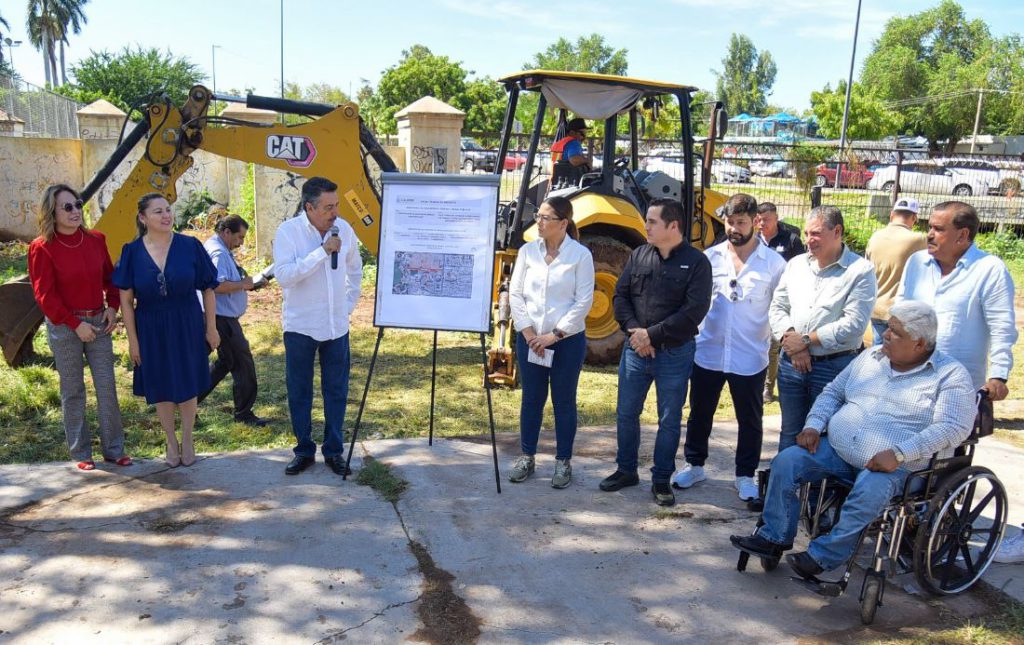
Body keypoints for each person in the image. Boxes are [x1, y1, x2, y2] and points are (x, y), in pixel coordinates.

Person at [731, 301, 976, 579]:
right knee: (786, 461)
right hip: (838, 450)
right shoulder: (871, 357)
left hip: (899, 468)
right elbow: (833, 392)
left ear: (919, 344)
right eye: (888, 327)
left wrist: (899, 453)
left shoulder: (949, 375)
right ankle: (774, 536)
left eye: (895, 332)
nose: (885, 334)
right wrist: (813, 425)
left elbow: (953, 427)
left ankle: (823, 556)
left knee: (869, 491)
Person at [895, 201, 1021, 564]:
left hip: (957, 386)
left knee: (937, 461)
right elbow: (903, 312)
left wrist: (998, 375)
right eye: (929, 227)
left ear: (963, 236)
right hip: (909, 377)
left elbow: (1001, 327)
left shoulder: (989, 270)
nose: (928, 234)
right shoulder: (918, 263)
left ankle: (927, 533)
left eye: (938, 229)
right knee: (901, 447)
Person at [599, 198, 713, 506]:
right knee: (626, 413)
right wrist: (637, 333)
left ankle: (662, 479)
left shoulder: (697, 263)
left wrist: (652, 335)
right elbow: (620, 297)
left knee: (669, 419)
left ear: (673, 226)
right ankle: (626, 470)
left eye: (652, 222)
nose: (646, 226)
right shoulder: (638, 255)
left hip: (674, 354)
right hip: (635, 351)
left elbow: (694, 312)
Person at [672, 194, 786, 501]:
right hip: (709, 350)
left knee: (750, 419)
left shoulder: (774, 264)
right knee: (700, 412)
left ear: (756, 222)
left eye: (741, 223)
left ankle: (745, 475)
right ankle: (694, 464)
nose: (734, 229)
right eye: (729, 222)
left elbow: (780, 307)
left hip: (750, 355)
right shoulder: (710, 258)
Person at [27, 184, 131, 471]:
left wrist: (112, 307)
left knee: (107, 386)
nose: (75, 211)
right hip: (65, 326)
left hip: (98, 322)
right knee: (72, 389)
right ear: (53, 212)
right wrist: (75, 325)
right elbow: (45, 296)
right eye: (67, 207)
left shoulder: (96, 240)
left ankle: (114, 449)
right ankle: (81, 453)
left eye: (77, 205)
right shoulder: (42, 248)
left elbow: (111, 280)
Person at [113, 193, 220, 467]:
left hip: (187, 322)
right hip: (150, 326)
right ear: (143, 218)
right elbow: (125, 301)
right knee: (160, 384)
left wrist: (211, 327)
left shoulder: (190, 246)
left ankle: (187, 438)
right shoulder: (131, 251)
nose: (166, 215)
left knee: (187, 382)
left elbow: (208, 287)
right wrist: (132, 341)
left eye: (168, 210)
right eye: (158, 211)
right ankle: (170, 441)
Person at [273, 177, 361, 477]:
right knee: (300, 391)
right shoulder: (288, 232)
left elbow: (354, 269)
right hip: (301, 326)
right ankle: (303, 450)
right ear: (309, 207)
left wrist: (346, 306)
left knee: (336, 390)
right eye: (327, 207)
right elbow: (284, 276)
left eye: (336, 205)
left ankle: (334, 451)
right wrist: (322, 251)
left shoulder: (344, 229)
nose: (334, 212)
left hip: (337, 327)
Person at [769, 206, 876, 451]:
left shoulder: (860, 271)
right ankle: (783, 487)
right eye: (806, 233)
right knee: (790, 432)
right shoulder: (796, 265)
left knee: (824, 435)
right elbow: (777, 307)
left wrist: (805, 341)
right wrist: (794, 345)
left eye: (815, 234)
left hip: (833, 368)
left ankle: (817, 490)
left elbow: (854, 324)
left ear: (837, 231)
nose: (808, 240)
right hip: (791, 364)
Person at [506, 196, 595, 488]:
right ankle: (527, 457)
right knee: (531, 399)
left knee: (563, 400)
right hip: (531, 340)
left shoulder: (580, 255)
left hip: (565, 342)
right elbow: (516, 294)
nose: (539, 222)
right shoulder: (527, 252)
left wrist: (554, 335)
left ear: (563, 223)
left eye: (545, 218)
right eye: (538, 216)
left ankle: (562, 461)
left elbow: (583, 301)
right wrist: (530, 333)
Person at [196, 215, 268, 427]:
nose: (241, 243)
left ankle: (187, 400)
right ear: (226, 232)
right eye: (239, 237)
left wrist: (248, 284)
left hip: (217, 316)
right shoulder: (217, 252)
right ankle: (244, 413)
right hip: (221, 318)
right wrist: (244, 284)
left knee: (225, 362)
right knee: (243, 362)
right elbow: (216, 286)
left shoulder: (217, 248)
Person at [755, 202, 805, 404]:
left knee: (773, 348)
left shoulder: (791, 240)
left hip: (780, 303)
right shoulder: (753, 240)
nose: (761, 224)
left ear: (776, 218)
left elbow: (801, 269)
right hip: (757, 301)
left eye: (765, 220)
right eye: (758, 220)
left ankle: (768, 388)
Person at [865, 197, 926, 346]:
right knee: (900, 357)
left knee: (879, 351)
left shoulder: (875, 237)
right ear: (914, 218)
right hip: (901, 309)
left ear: (892, 215)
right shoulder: (918, 240)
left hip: (876, 307)